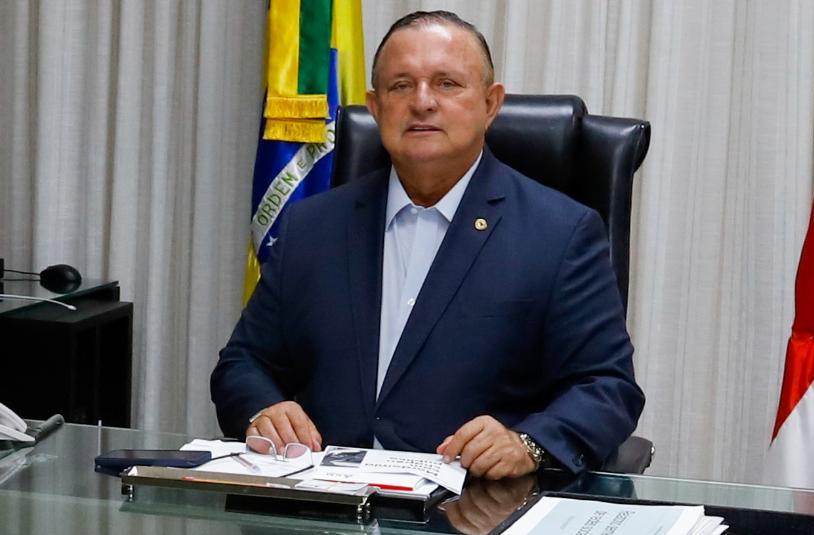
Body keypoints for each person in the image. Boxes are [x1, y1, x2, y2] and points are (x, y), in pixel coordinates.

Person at [211, 10, 645, 480]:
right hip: (325, 498)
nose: (422, 102)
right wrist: (263, 409)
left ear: (490, 104)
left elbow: (608, 387)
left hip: (475, 502)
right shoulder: (312, 226)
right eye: (401, 86)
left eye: (446, 84)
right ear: (375, 108)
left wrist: (528, 443)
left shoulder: (560, 232)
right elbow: (243, 362)